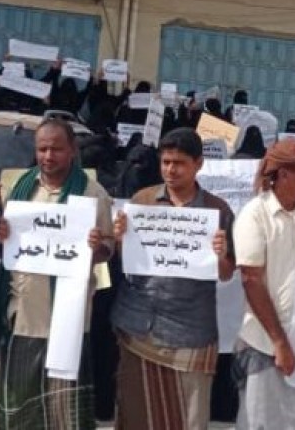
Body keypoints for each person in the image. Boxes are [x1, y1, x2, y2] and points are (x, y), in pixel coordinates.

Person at [0, 117, 115, 430]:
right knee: (20, 408)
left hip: (68, 320)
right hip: (24, 315)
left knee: (64, 412)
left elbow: (107, 251)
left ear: (72, 150)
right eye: (42, 149)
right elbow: (2, 243)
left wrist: (96, 246)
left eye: (56, 149)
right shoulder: (20, 188)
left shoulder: (92, 193)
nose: (48, 156)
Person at [111, 128, 236, 430]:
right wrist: (119, 239)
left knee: (189, 417)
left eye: (179, 162)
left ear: (198, 164)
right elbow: (125, 260)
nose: (170, 169)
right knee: (136, 413)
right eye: (165, 161)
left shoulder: (217, 210)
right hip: (139, 325)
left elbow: (227, 273)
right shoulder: (143, 200)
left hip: (191, 329)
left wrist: (220, 255)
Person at [233, 139, 295, 430]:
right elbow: (251, 281)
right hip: (266, 344)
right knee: (262, 422)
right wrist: (279, 343)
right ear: (284, 174)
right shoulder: (254, 215)